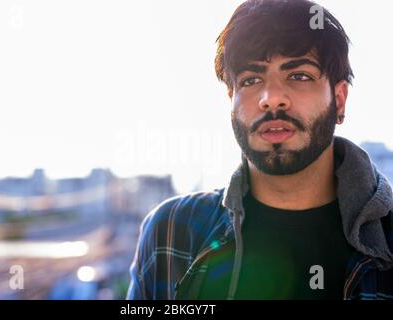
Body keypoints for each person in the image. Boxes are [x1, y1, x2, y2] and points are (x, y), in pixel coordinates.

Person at [127, 0, 393, 300]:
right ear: (231, 99)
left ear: (339, 99)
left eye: (299, 75)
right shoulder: (171, 231)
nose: (271, 98)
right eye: (251, 80)